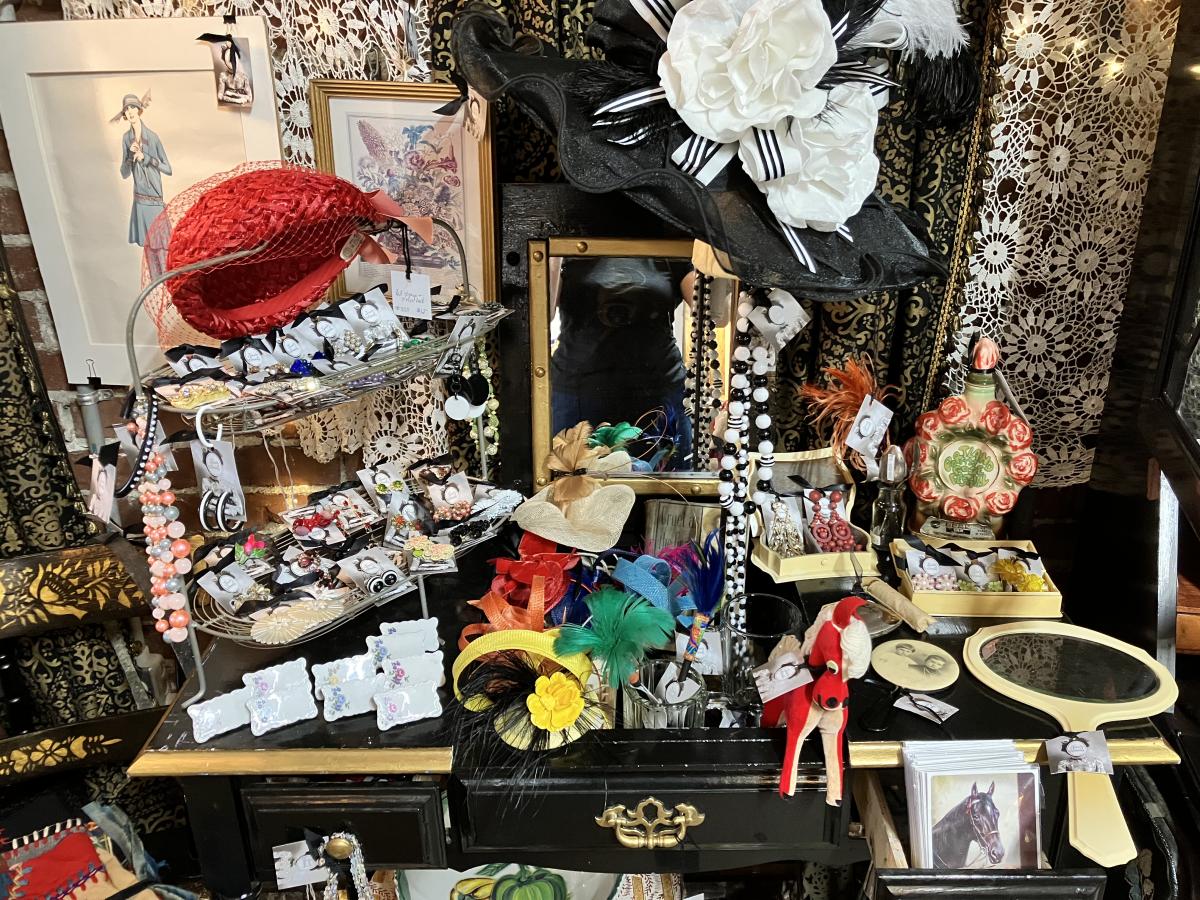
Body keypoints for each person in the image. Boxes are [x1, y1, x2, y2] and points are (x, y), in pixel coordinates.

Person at [550, 257, 698, 470]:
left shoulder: (668, 245)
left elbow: (715, 314)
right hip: (578, 396)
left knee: (668, 488)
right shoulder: (565, 248)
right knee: (570, 487)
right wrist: (552, 253)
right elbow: (540, 313)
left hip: (659, 397)